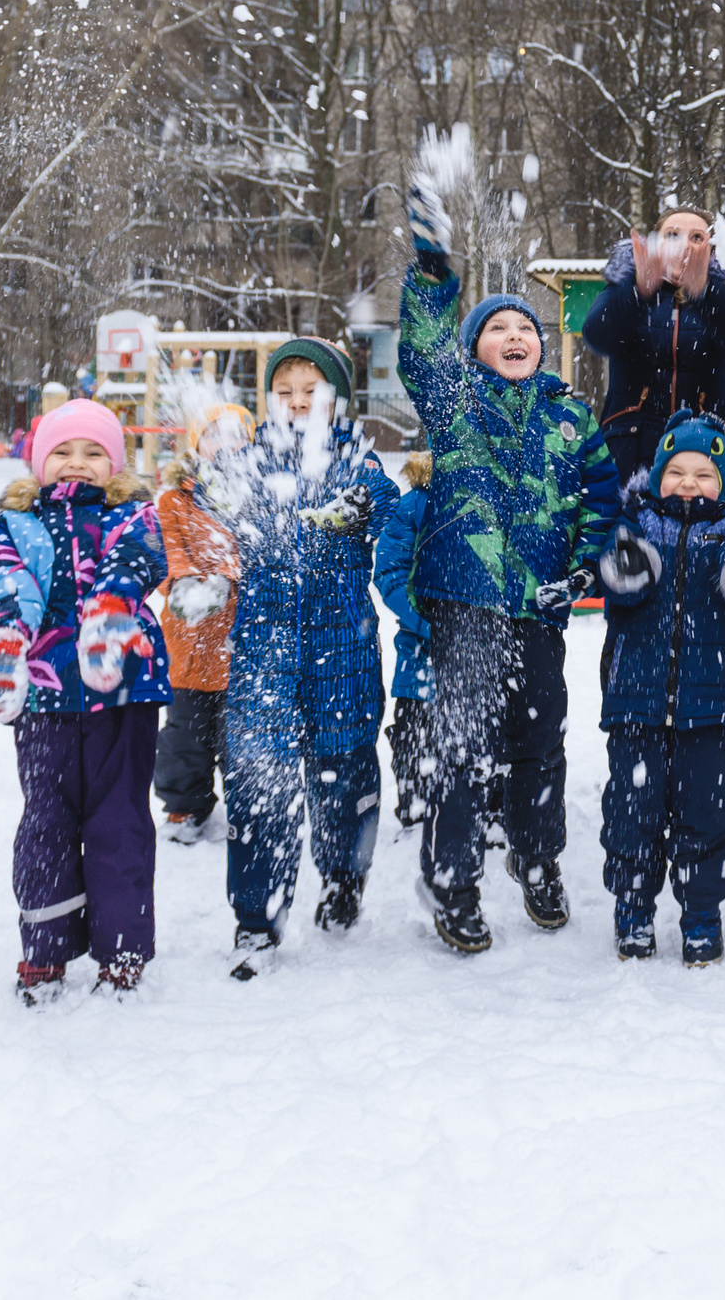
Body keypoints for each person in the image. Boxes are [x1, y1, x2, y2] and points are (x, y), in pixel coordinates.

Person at [399, 184, 621, 953]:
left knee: (539, 742)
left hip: (541, 609)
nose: (515, 332)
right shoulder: (454, 400)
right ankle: (455, 880)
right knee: (462, 745)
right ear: (474, 349)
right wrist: (433, 271)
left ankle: (536, 856)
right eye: (497, 326)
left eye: (525, 324)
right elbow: (422, 347)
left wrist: (591, 560)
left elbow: (601, 493)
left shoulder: (570, 415)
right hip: (467, 603)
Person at [0, 400, 170, 1003]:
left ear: (115, 465)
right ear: (37, 461)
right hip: (45, 694)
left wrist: (108, 610)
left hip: (123, 690)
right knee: (46, 823)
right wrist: (5, 639)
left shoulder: (132, 513)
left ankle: (121, 950)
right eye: (62, 451)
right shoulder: (16, 523)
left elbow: (136, 563)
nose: (77, 463)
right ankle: (46, 949)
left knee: (120, 822)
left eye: (93, 453)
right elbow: (8, 582)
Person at [218, 338, 401, 977]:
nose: (298, 404)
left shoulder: (355, 457)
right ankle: (256, 917)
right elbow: (217, 520)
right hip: (265, 651)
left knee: (344, 773)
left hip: (342, 650)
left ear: (335, 399)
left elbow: (388, 506)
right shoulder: (246, 462)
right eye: (285, 393)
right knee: (258, 782)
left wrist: (361, 506)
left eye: (312, 392)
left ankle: (344, 879)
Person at [594, 411, 725, 966]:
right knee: (633, 814)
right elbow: (617, 585)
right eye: (678, 471)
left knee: (705, 815)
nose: (689, 483)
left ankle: (701, 915)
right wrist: (624, 571)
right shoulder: (637, 526)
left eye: (705, 473)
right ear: (657, 474)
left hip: (708, 710)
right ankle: (633, 910)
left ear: (724, 483)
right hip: (636, 706)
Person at [581, 207, 725, 488]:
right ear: (656, 244)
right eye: (673, 235)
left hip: (703, 454)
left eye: (696, 237)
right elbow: (598, 336)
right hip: (628, 453)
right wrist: (638, 291)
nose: (685, 245)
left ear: (712, 249)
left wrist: (706, 291)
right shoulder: (627, 284)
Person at [154, 404, 251, 844]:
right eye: (215, 435)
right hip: (190, 644)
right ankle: (184, 805)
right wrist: (189, 584)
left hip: (242, 645)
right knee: (184, 737)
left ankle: (248, 806)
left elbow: (258, 553)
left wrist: (227, 577)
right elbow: (168, 554)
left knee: (241, 738)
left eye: (237, 435)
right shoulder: (175, 499)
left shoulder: (260, 494)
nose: (226, 444)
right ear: (196, 443)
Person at [373, 451, 436, 830]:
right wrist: (425, 621)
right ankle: (415, 805)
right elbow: (391, 571)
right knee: (414, 733)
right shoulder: (414, 504)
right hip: (420, 654)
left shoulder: (489, 496)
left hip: (476, 651)